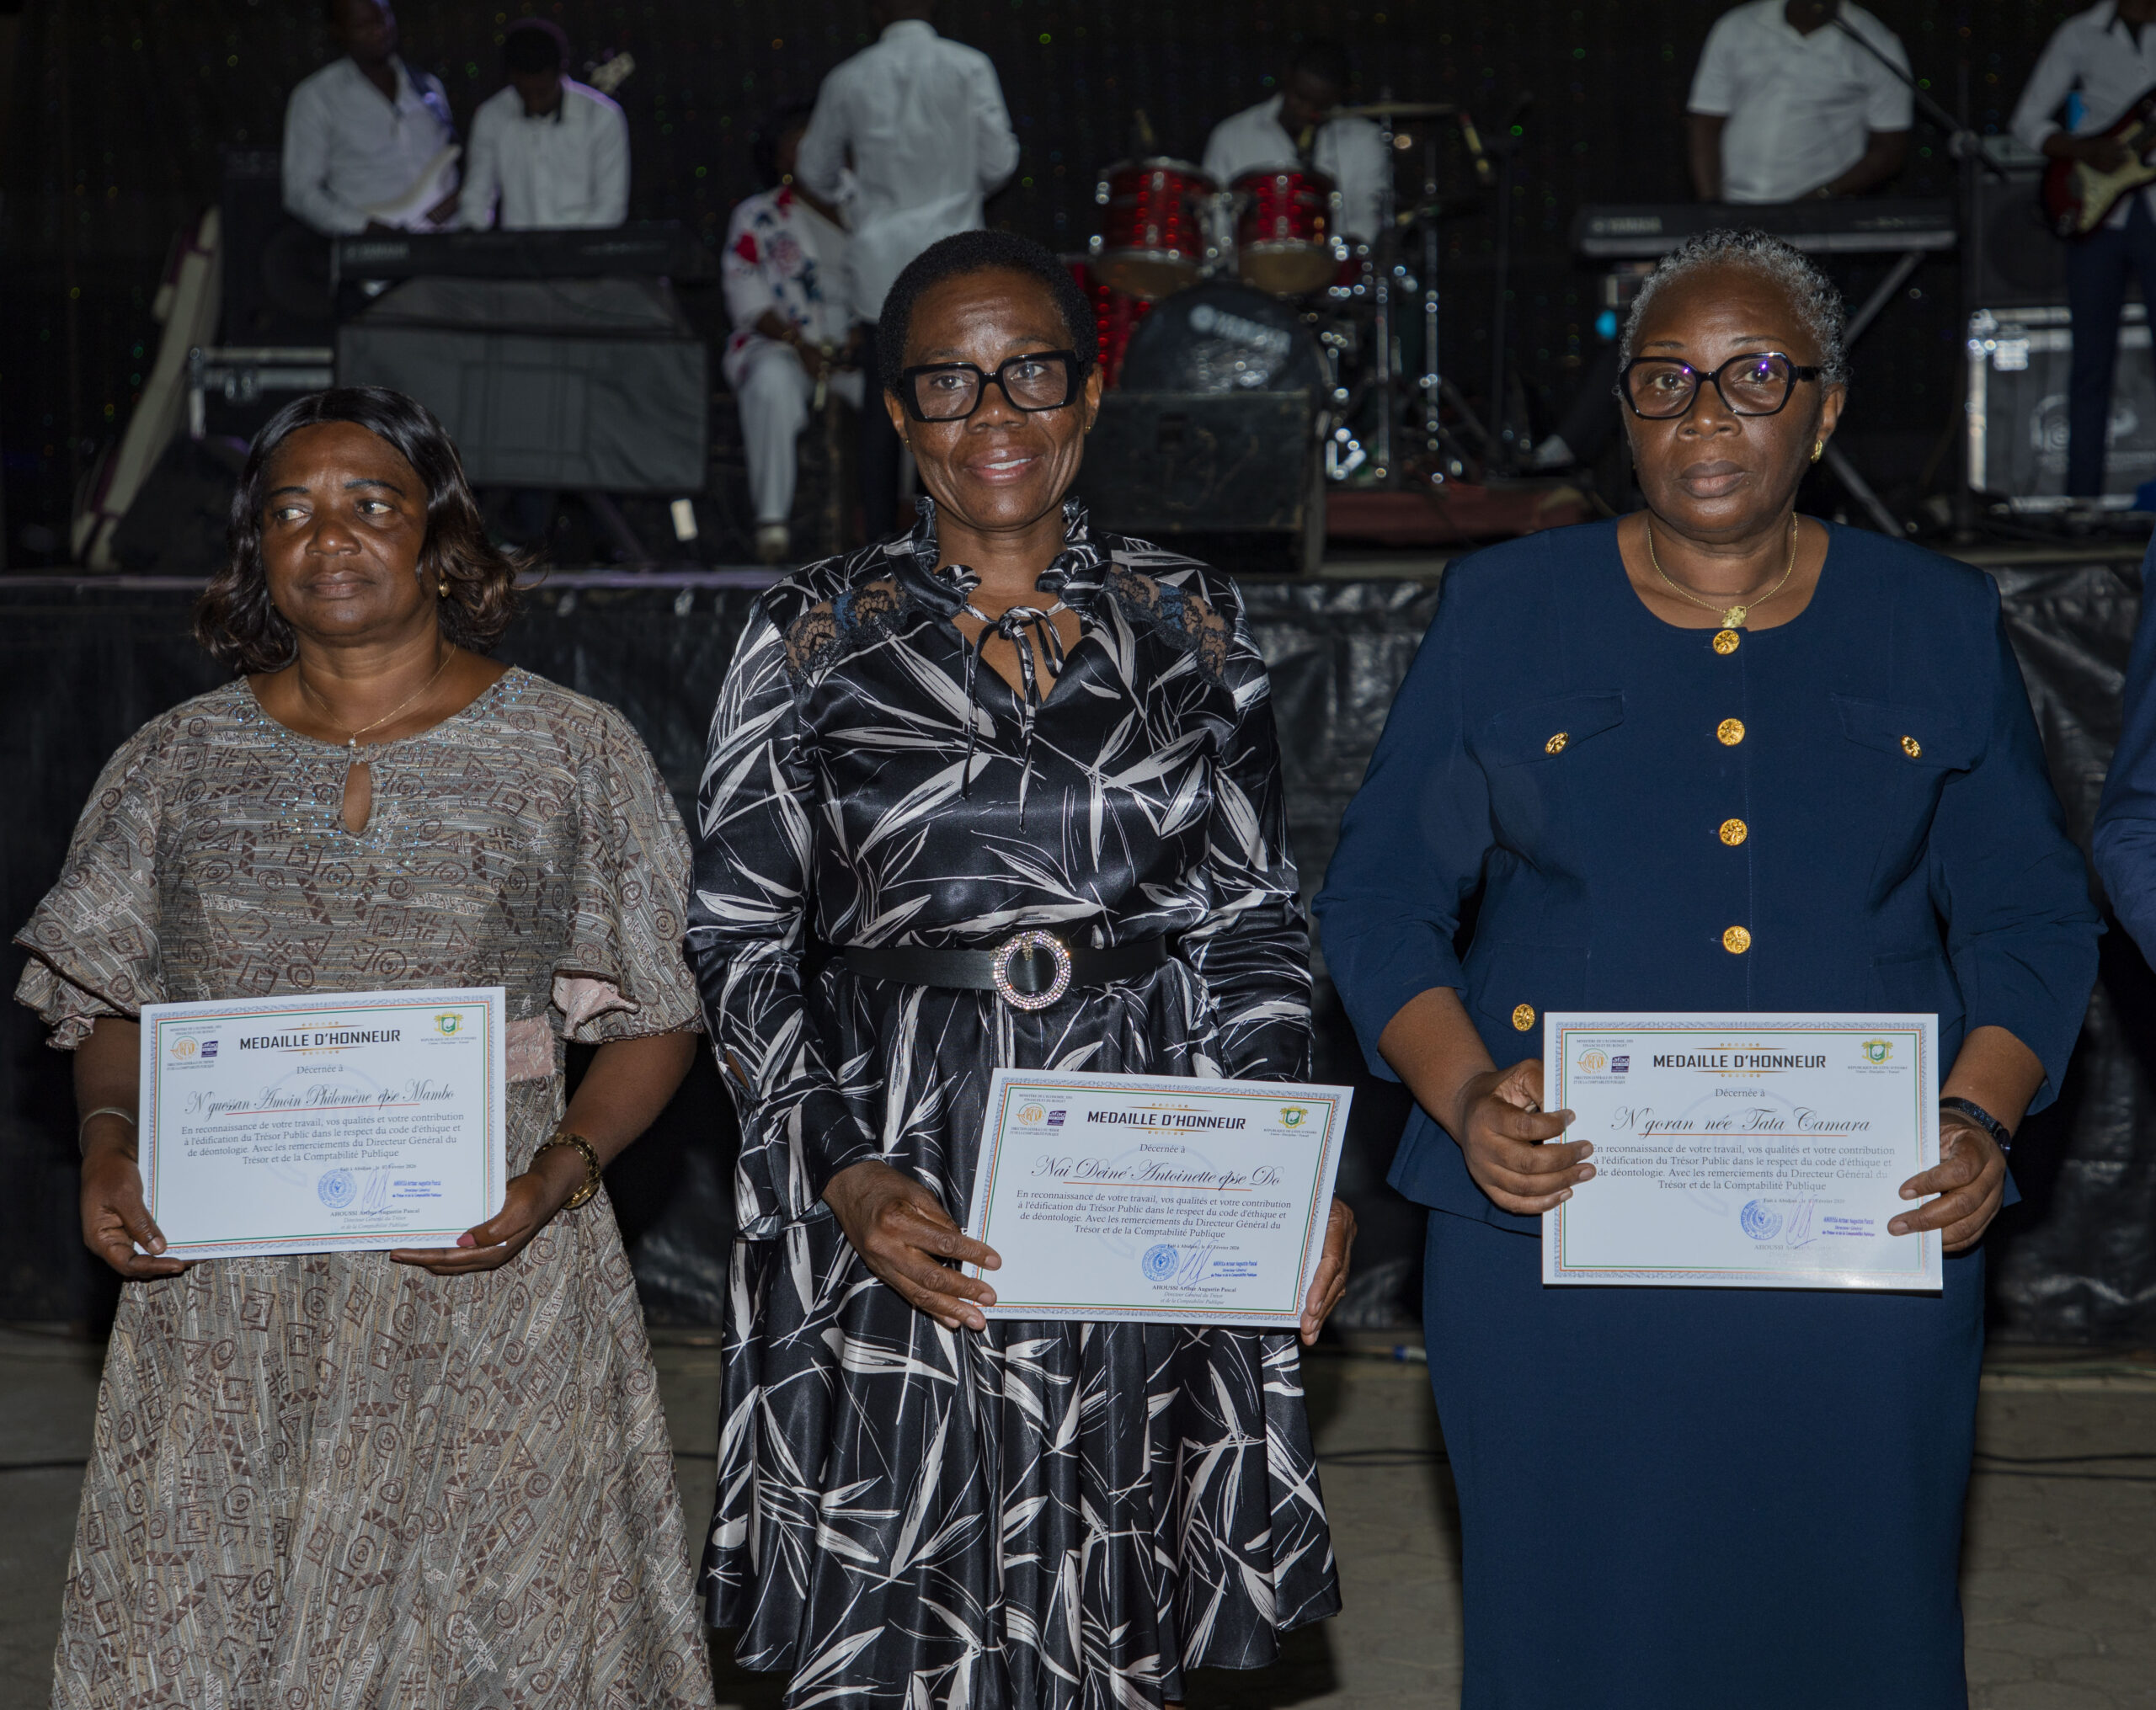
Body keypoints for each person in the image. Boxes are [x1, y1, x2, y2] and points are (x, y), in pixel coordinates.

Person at [1315, 230, 2100, 1709]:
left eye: (1754, 377)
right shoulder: (1507, 607)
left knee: (1849, 1612)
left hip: (1862, 1218)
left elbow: (2031, 920)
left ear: (1828, 407)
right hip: (1550, 1219)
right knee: (1581, 1619)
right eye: (1666, 379)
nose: (1705, 414)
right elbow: (1377, 900)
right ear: (1626, 410)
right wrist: (1466, 1093)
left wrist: (1980, 1114)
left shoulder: (1935, 617)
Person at [689, 229, 1354, 1708]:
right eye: (949, 382)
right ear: (899, 413)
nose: (994, 415)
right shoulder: (808, 634)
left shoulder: (1188, 616)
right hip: (895, 1147)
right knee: (902, 1570)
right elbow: (735, 934)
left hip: (1146, 1135)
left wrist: (1279, 1169)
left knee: (1112, 1558)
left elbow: (1249, 918)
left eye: (1030, 373)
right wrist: (837, 1164)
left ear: (1089, 393)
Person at [17, 387, 718, 1710]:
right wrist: (108, 1139)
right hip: (230, 1292)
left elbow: (659, 1011)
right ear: (257, 552)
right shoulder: (174, 762)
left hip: (489, 1264)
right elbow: (108, 997)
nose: (328, 535)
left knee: (505, 1625)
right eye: (291, 510)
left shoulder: (570, 750)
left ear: (440, 538)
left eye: (370, 503)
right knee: (215, 1616)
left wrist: (559, 1173)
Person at [795, 0, 1019, 541]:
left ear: (875, 11)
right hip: (952, 255)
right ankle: (943, 537)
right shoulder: (968, 65)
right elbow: (1000, 163)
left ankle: (879, 545)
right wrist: (959, 189)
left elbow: (812, 170)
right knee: (955, 395)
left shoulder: (849, 77)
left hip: (881, 261)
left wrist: (856, 200)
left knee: (884, 404)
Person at [2012, 0, 2156, 498]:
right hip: (2096, 211)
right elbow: (2027, 121)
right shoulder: (2081, 32)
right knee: (2091, 360)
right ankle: (2083, 499)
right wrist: (2084, 150)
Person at [723, 101, 863, 564]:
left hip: (856, 350)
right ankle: (772, 525)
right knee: (771, 383)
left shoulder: (867, 207)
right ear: (780, 158)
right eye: (797, 145)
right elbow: (745, 293)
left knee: (905, 392)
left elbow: (892, 280)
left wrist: (865, 337)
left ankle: (903, 519)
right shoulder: (759, 215)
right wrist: (798, 344)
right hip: (784, 346)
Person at [1686, 0, 1913, 203]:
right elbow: (1706, 122)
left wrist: (1824, 193)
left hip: (1822, 212)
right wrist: (1711, 204)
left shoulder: (1876, 41)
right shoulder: (1738, 25)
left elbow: (1890, 148)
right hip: (1736, 204)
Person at [282, 0, 458, 236]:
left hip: (442, 240)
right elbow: (300, 192)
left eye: (383, 18)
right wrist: (361, 226)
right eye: (363, 25)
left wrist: (461, 197)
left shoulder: (428, 86)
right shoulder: (316, 96)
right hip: (368, 244)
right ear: (338, 31)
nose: (378, 29)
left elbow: (450, 163)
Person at [1203, 37, 1390, 245]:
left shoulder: (1364, 139)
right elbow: (1214, 217)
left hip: (1333, 261)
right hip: (1252, 261)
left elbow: (1367, 217)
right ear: (1287, 78)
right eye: (1300, 98)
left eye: (1320, 107)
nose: (1307, 112)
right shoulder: (1232, 136)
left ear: (1337, 98)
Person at [461, 17, 630, 232]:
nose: (534, 101)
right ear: (513, 79)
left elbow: (611, 205)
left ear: (560, 73)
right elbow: (477, 193)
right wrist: (472, 235)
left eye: (542, 92)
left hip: (584, 248)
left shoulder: (602, 117)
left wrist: (575, 248)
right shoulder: (491, 116)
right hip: (517, 249)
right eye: (524, 93)